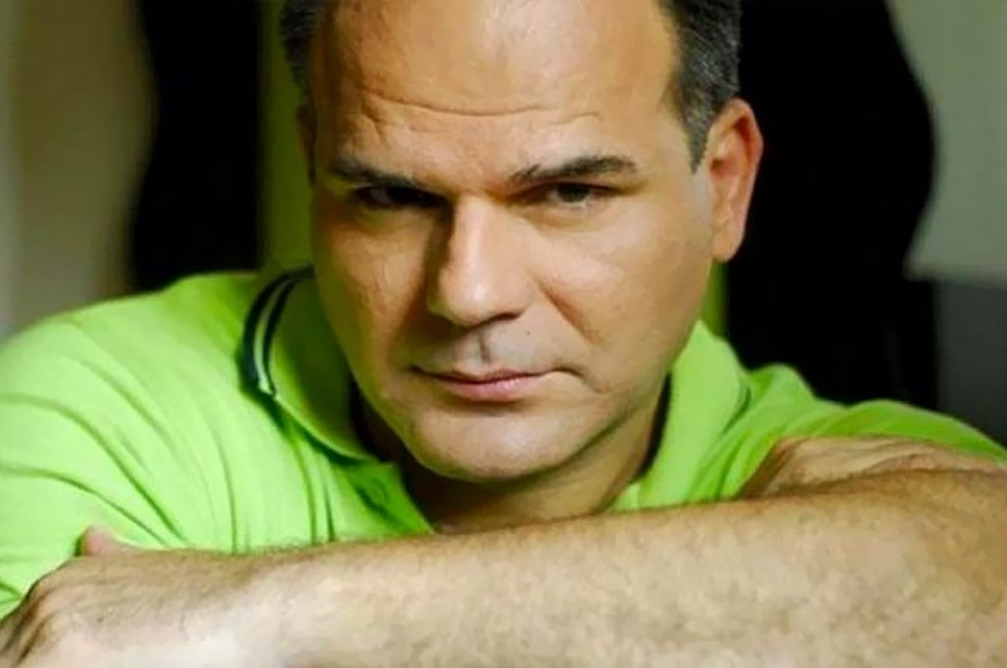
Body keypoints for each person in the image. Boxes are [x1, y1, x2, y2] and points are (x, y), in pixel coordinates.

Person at [0, 0, 1005, 664]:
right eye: (390, 196)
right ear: (313, 167)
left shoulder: (882, 468)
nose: (467, 293)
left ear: (724, 185)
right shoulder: (103, 408)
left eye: (568, 193)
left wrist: (271, 609)